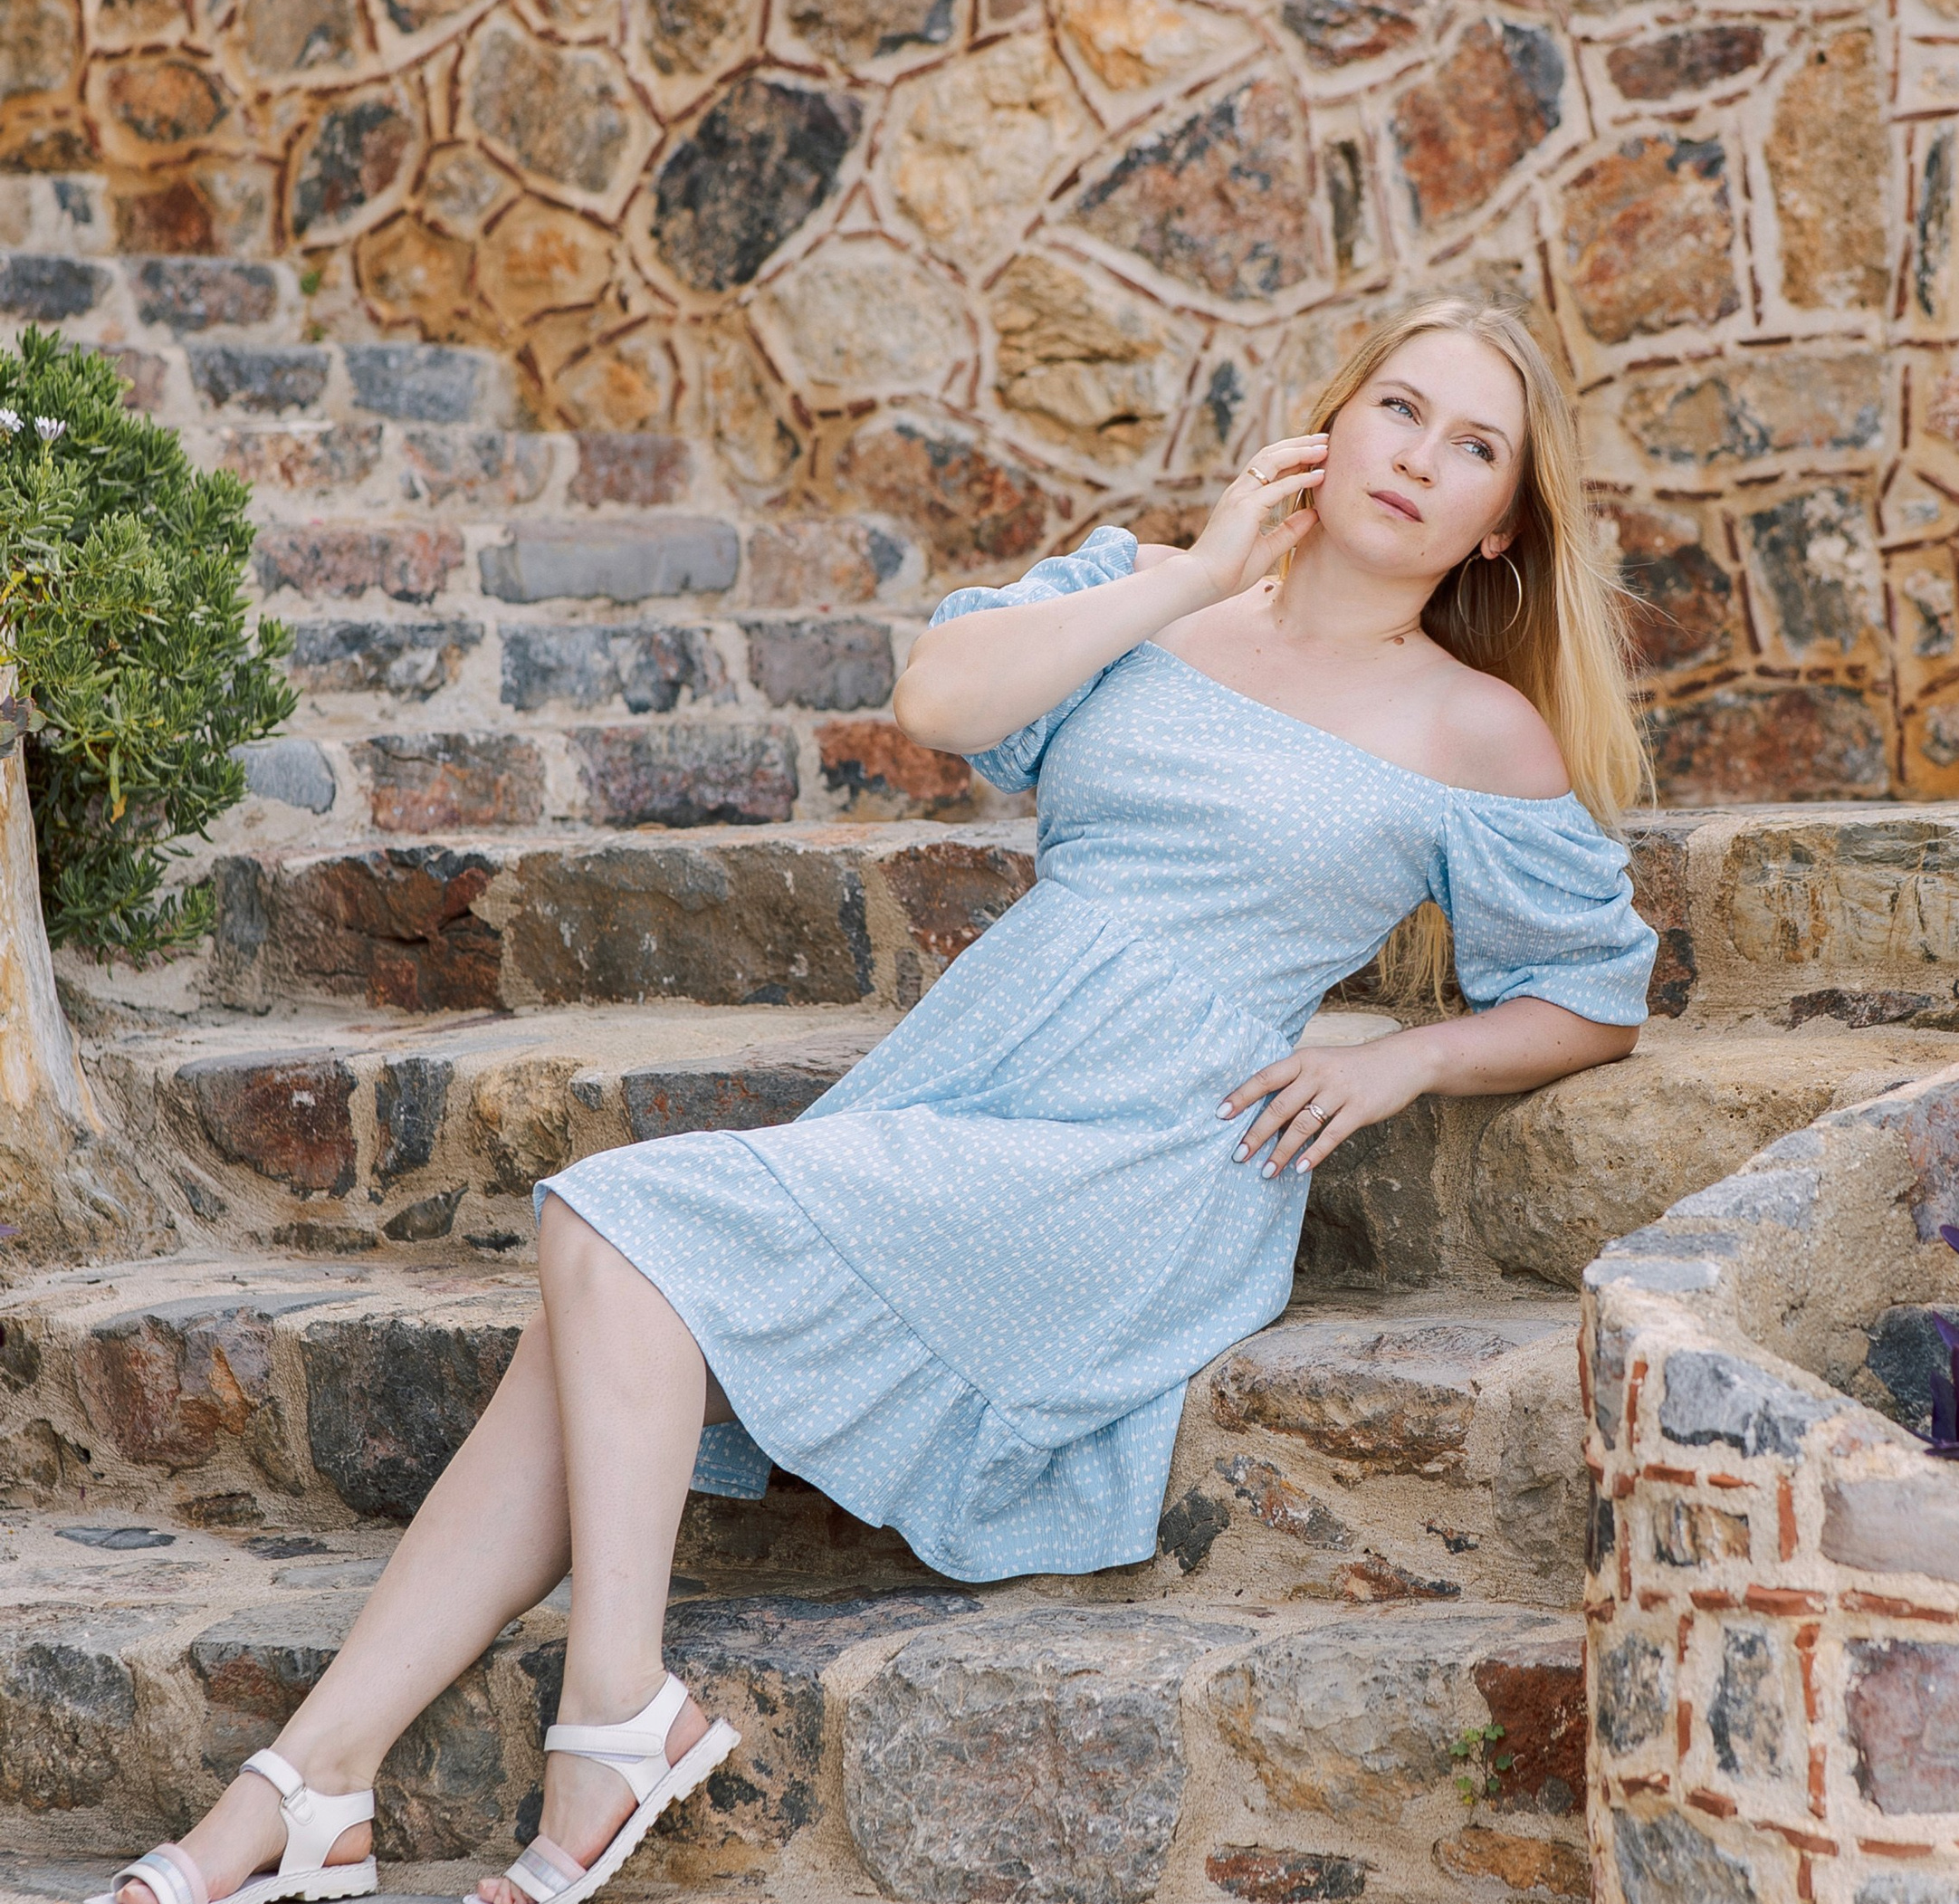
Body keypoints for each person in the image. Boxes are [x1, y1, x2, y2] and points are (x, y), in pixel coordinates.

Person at [94, 298, 1658, 1904]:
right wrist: (1192, 570)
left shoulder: (1480, 731)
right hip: (979, 1079)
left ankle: (597, 1714)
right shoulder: (1149, 591)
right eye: (1401, 410)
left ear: (1499, 527)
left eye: (1477, 448)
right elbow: (940, 708)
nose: (1421, 460)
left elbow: (1595, 993)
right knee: (599, 1300)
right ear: (1329, 427)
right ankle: (313, 1788)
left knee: (611, 1224)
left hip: (1147, 1161)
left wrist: (1399, 1059)